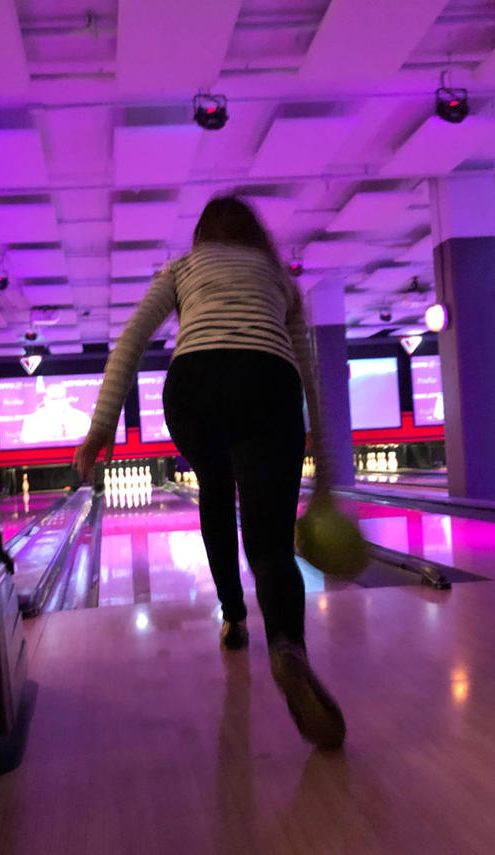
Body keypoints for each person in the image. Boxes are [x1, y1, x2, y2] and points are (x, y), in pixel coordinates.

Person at [74, 196, 345, 750]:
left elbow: (131, 340)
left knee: (215, 492)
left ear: (201, 236)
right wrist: (326, 462)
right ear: (256, 236)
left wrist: (100, 429)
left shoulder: (182, 268)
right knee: (270, 545)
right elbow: (309, 366)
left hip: (193, 385)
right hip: (270, 382)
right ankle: (288, 645)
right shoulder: (279, 278)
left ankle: (233, 617)